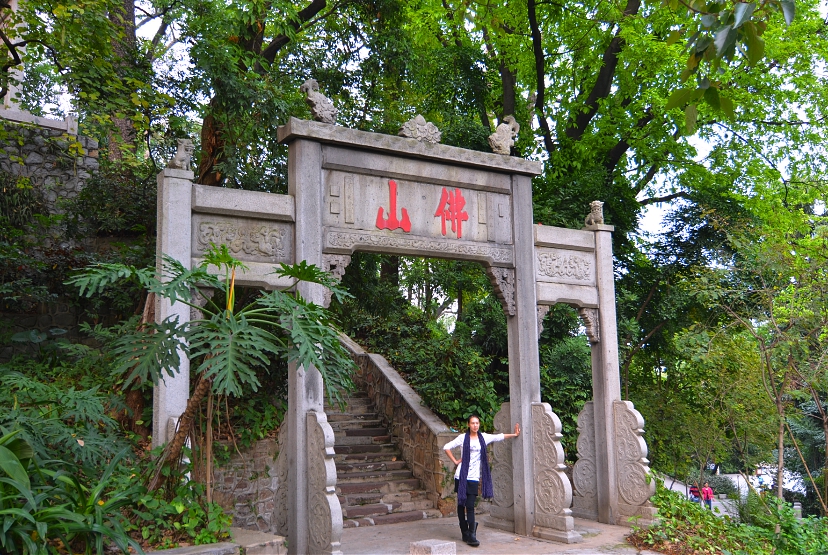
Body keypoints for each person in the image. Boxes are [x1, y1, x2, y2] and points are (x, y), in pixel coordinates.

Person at [444, 415, 520, 548]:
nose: (475, 425)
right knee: (461, 504)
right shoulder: (462, 438)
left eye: (477, 423)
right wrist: (455, 461)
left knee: (470, 505)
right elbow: (446, 447)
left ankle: (472, 535)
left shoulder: (483, 437)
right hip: (461, 476)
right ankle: (464, 532)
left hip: (473, 477)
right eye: (472, 423)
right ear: (468, 425)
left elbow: (498, 437)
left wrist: (514, 434)